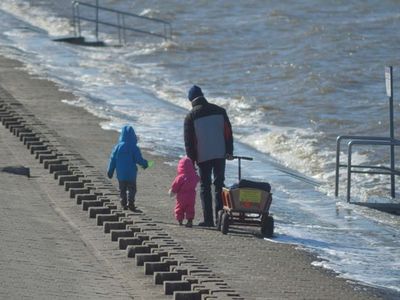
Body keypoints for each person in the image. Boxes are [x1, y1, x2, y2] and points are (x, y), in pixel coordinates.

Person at [184, 85, 234, 227]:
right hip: (220, 153)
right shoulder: (220, 111)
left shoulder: (190, 116)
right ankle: (220, 218)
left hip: (202, 155)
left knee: (205, 186)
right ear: (202, 95)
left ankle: (208, 220)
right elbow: (228, 134)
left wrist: (191, 161)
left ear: (191, 100)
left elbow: (189, 143)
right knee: (219, 184)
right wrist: (229, 151)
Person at [107, 125, 148, 211]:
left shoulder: (117, 147)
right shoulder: (134, 148)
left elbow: (112, 160)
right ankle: (131, 204)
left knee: (122, 189)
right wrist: (145, 164)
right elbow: (139, 159)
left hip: (121, 174)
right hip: (131, 174)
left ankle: (123, 203)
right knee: (132, 189)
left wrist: (110, 171)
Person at [168, 156, 200, 227]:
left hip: (181, 196)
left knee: (179, 208)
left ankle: (180, 220)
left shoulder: (180, 177)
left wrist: (172, 192)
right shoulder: (194, 176)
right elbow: (198, 179)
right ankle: (190, 221)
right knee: (190, 208)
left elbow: (175, 186)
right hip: (191, 196)